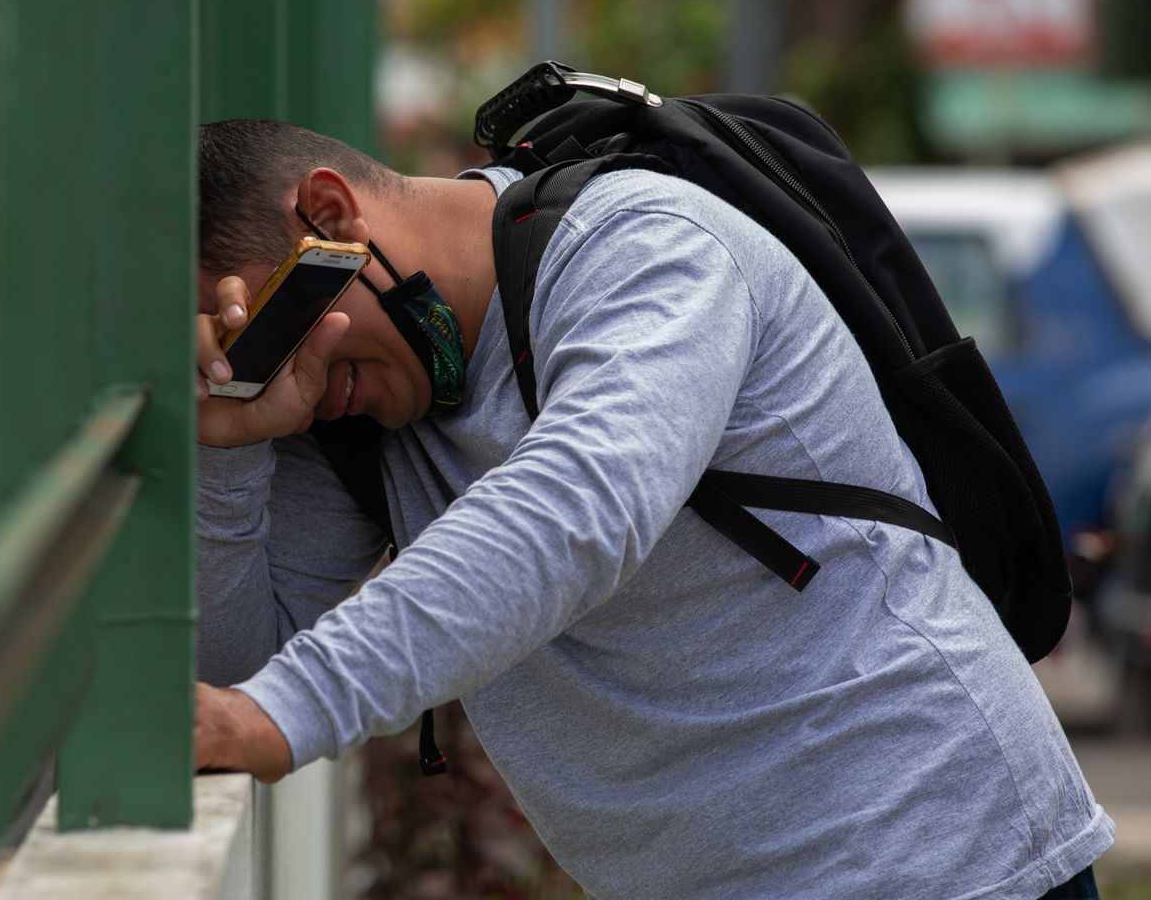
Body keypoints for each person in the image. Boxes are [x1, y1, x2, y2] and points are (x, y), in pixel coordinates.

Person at [191, 118, 1113, 899]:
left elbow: (579, 506)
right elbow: (235, 676)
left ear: (328, 214)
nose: (283, 381)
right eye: (235, 359)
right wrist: (231, 441)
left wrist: (290, 711)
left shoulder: (642, 245)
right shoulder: (350, 406)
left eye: (266, 333)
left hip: (943, 859)